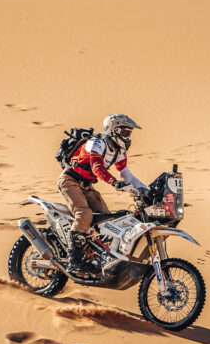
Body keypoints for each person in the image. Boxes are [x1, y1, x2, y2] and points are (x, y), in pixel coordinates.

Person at [58, 113, 147, 274]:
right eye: (125, 132)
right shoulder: (97, 143)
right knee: (84, 214)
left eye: (129, 133)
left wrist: (147, 191)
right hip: (70, 181)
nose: (127, 137)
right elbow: (96, 168)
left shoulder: (119, 152)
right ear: (113, 130)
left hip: (86, 186)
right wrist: (114, 182)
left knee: (108, 219)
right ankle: (74, 260)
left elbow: (127, 176)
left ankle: (95, 255)